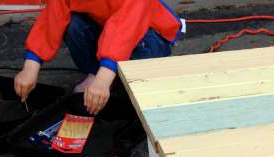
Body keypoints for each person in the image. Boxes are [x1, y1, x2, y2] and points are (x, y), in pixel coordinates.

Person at [14, 0, 185, 115]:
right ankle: (95, 72)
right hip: (107, 27)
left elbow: (124, 30)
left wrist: (104, 79)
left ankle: (111, 77)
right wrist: (30, 67)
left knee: (131, 86)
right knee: (73, 23)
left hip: (150, 34)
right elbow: (52, 18)